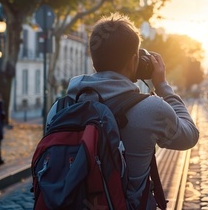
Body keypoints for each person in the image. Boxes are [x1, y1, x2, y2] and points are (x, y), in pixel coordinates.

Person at [46, 13, 199, 209]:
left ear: (94, 61)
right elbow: (190, 136)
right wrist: (163, 86)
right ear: (134, 60)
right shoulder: (152, 109)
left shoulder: (59, 110)